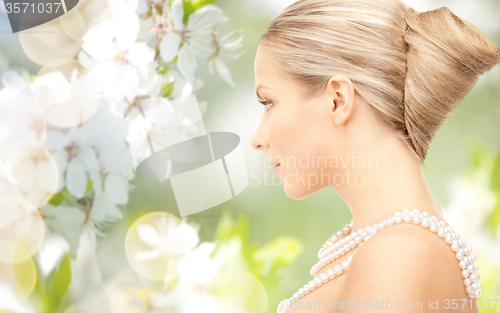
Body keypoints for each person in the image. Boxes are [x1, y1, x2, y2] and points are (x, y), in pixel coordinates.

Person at [251, 0, 500, 312]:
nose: (257, 140)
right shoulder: (388, 245)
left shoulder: (396, 253)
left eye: (269, 102)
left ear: (337, 100)